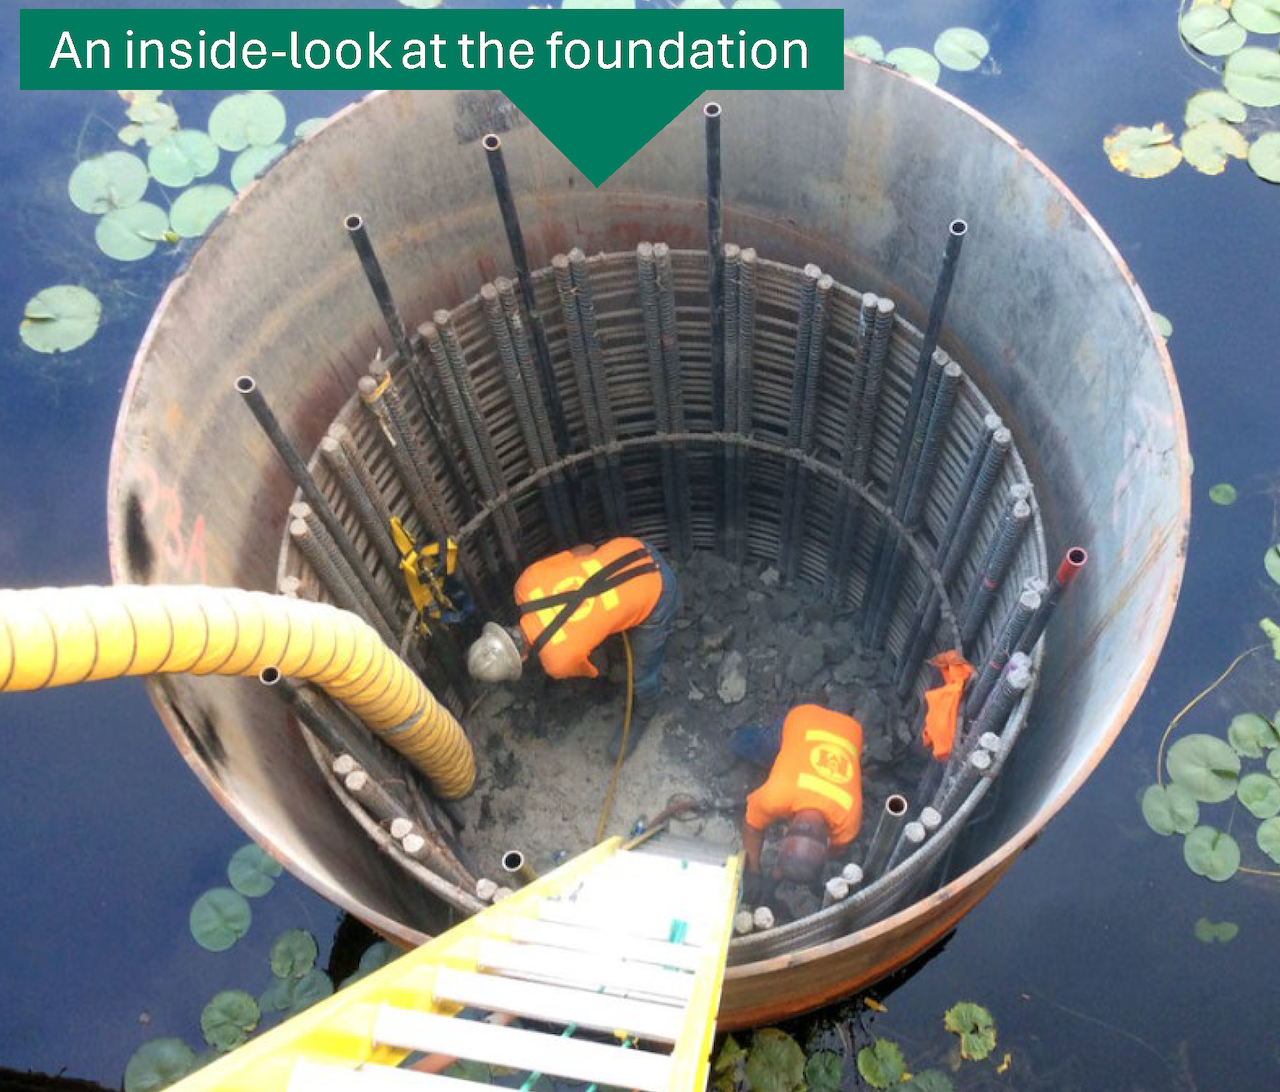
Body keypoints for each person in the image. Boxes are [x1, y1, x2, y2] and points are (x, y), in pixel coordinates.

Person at [465, 537, 680, 760]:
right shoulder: (526, 583)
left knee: (642, 676)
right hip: (633, 547)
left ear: (524, 657)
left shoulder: (557, 662)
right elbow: (586, 549)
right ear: (502, 629)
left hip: (658, 593)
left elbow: (596, 669)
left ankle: (645, 712)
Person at [733, 704, 864, 904]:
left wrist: (774, 877)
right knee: (758, 744)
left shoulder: (849, 822)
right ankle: (738, 738)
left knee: (788, 752)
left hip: (849, 729)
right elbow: (751, 827)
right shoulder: (774, 796)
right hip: (809, 719)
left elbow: (810, 852)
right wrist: (753, 870)